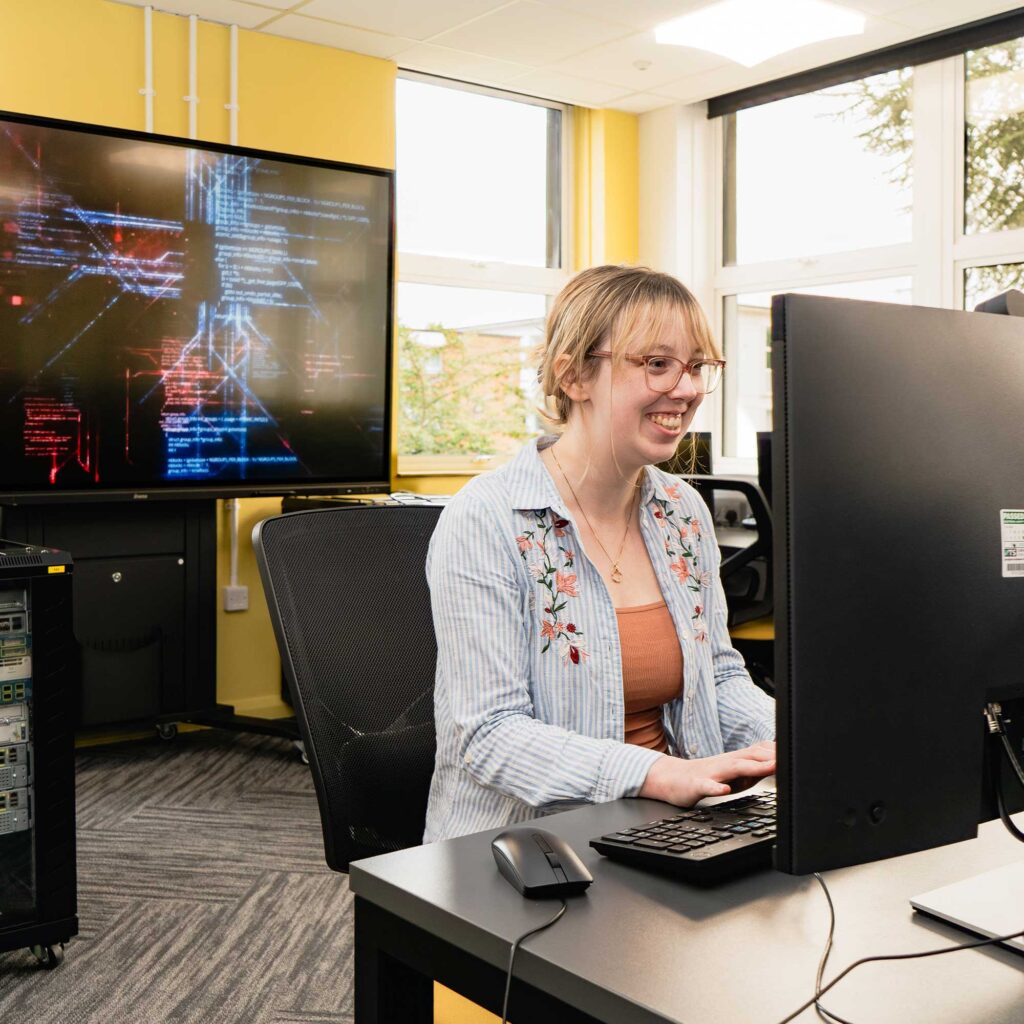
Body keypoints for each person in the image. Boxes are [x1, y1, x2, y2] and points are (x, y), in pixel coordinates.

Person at [424, 264, 775, 843]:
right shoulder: (487, 519)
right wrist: (657, 774)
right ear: (574, 375)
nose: (686, 390)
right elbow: (487, 734)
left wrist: (789, 735)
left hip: (671, 828)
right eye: (657, 363)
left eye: (696, 367)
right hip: (527, 848)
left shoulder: (681, 511)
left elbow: (715, 675)